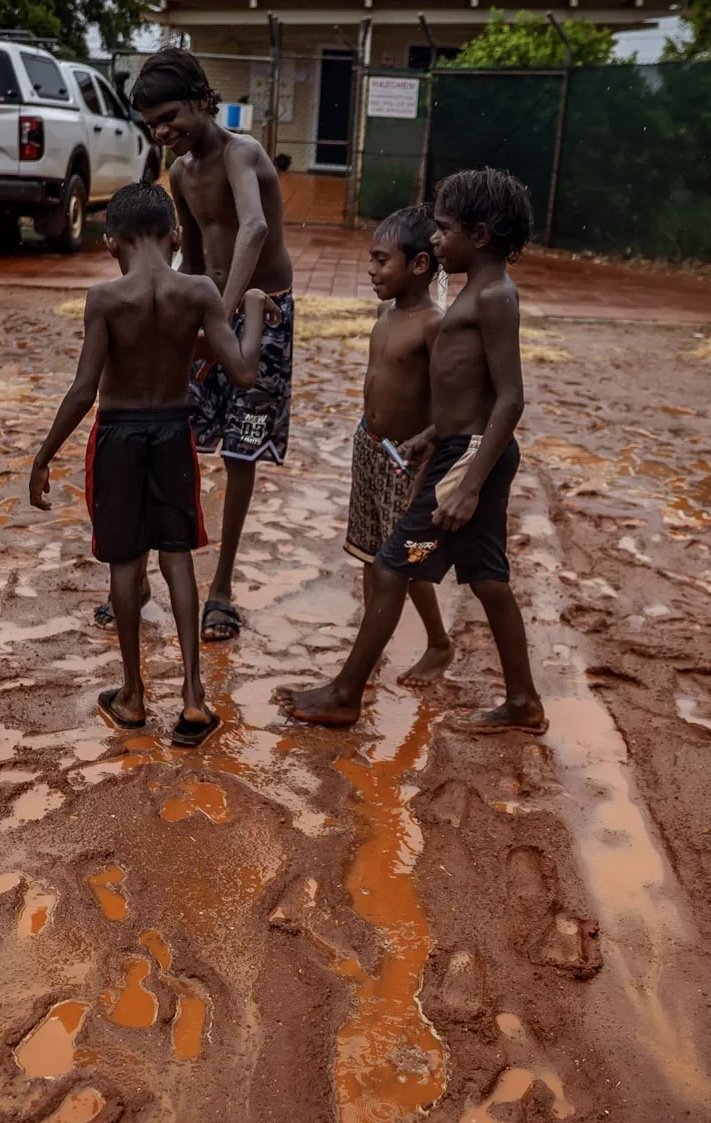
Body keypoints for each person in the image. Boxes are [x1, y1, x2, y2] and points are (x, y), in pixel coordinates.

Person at [279, 169, 544, 734]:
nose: (435, 241)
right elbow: (467, 391)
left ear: (478, 235)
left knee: (395, 564)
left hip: (468, 463)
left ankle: (345, 694)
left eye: (444, 231)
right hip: (456, 451)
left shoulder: (494, 296)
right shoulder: (477, 291)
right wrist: (433, 436)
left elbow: (510, 398)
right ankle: (523, 703)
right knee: (489, 580)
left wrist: (468, 482)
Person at [27, 183, 265, 749]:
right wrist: (253, 307)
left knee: (125, 562)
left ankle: (133, 695)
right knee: (177, 558)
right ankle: (193, 697)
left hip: (118, 437)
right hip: (174, 434)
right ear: (175, 236)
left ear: (112, 242)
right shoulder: (201, 289)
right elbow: (244, 373)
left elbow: (85, 389)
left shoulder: (105, 298)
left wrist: (43, 457)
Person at [126, 48, 295, 645]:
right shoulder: (179, 174)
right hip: (210, 313)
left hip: (260, 315)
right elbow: (192, 259)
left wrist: (221, 318)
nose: (163, 131)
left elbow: (254, 228)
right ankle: (144, 576)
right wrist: (160, 309)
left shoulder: (241, 152)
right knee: (171, 433)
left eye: (170, 116)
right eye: (152, 125)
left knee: (241, 451)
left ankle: (221, 588)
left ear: (203, 100)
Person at [346, 204, 452, 685]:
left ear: (420, 265)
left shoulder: (435, 325)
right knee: (371, 553)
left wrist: (428, 454)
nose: (372, 270)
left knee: (402, 559)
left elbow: (454, 400)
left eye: (382, 260)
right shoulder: (384, 312)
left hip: (405, 459)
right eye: (371, 259)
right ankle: (373, 646)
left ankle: (438, 643)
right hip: (369, 446)